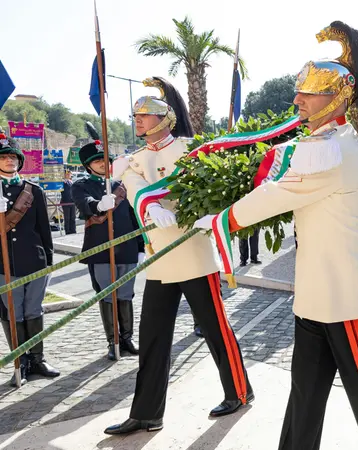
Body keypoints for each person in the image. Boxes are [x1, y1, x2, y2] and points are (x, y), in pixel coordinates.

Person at [194, 22, 358, 449]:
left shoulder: (335, 147)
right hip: (316, 296)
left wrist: (223, 218)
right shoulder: (328, 141)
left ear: (337, 97)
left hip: (343, 298)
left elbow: (279, 193)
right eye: (300, 91)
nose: (298, 100)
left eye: (309, 92)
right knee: (304, 394)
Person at [104, 77, 252, 435]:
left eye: (145, 115)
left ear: (165, 119)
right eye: (135, 115)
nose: (138, 120)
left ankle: (239, 391)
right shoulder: (133, 159)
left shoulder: (190, 149)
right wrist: (133, 195)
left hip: (192, 253)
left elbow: (205, 188)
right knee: (153, 337)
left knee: (216, 329)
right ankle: (147, 412)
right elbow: (138, 193)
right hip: (159, 258)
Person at [72, 139, 142, 360]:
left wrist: (140, 246)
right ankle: (113, 341)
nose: (103, 163)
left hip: (128, 248)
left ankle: (127, 338)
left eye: (105, 159)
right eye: (97, 161)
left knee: (125, 294)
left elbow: (135, 217)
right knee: (107, 296)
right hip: (101, 251)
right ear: (88, 165)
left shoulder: (122, 185)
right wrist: (99, 205)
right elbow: (85, 203)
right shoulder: (81, 185)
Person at [0, 133, 60, 386]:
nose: (9, 161)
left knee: (33, 310)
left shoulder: (32, 190)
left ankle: (37, 358)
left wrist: (48, 258)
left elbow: (44, 228)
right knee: (13, 313)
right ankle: (19, 361)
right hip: (3, 264)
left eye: (13, 157)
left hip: (33, 260)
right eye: (4, 157)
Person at [60, 170, 76, 234]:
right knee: (67, 218)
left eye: (69, 174)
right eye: (67, 174)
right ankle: (68, 230)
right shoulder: (62, 182)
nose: (68, 175)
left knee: (73, 217)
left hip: (72, 202)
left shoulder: (71, 182)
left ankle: (73, 230)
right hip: (65, 201)